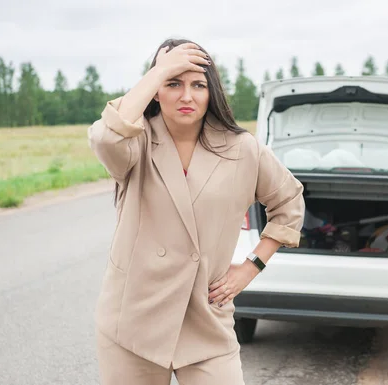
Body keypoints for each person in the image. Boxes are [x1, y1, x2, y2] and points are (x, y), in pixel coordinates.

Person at [87, 38, 305, 385]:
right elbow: (105, 137)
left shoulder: (241, 149)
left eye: (197, 85)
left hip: (206, 319)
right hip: (132, 322)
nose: (186, 96)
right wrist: (160, 69)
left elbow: (289, 202)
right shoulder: (135, 142)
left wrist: (251, 268)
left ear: (211, 91)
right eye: (173, 83)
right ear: (155, 89)